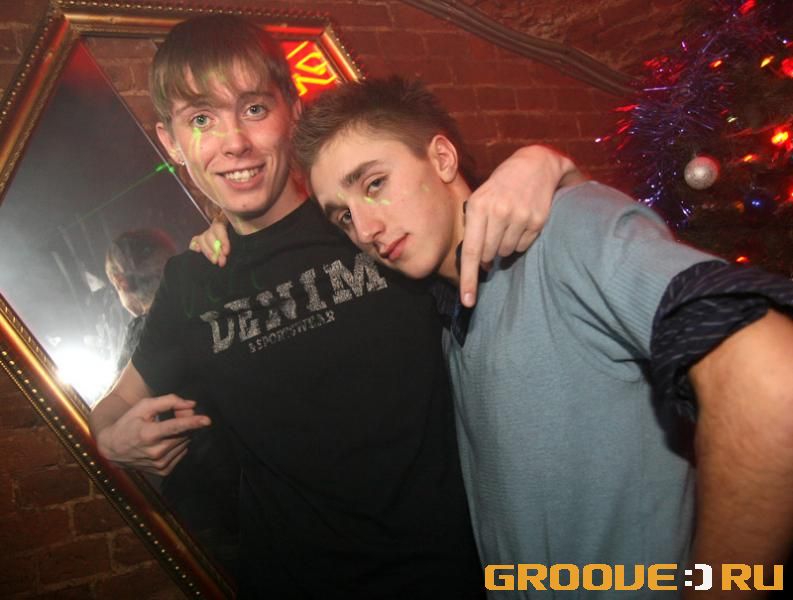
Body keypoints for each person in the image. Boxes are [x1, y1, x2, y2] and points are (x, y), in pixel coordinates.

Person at [88, 14, 582, 598]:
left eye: (254, 108)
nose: (235, 142)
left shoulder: (370, 225)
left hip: (451, 575)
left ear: (292, 112)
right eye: (201, 120)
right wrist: (111, 440)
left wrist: (545, 164)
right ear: (170, 142)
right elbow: (115, 405)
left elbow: (535, 253)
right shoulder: (190, 281)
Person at [281, 76, 793, 597]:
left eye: (375, 184)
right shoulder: (449, 317)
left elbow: (773, 382)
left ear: (441, 159)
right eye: (344, 216)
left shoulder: (565, 228)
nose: (365, 229)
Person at [105, 228, 176, 369]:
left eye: (115, 288)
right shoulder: (200, 305)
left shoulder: (143, 335)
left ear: (120, 282)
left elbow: (124, 383)